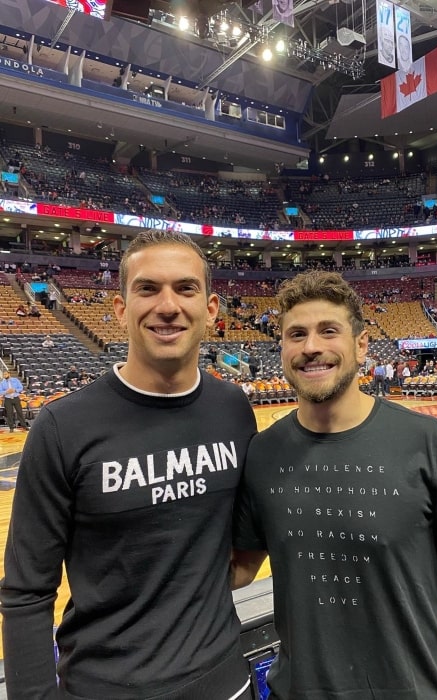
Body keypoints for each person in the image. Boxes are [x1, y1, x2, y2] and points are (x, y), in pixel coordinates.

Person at [1, 230, 257, 700]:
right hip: (106, 686)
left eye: (185, 288)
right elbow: (26, 591)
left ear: (211, 309)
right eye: (147, 288)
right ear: (119, 310)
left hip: (226, 681)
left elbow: (250, 532)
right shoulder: (62, 426)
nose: (167, 305)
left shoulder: (233, 408)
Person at [232, 270, 437, 700]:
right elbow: (240, 568)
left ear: (361, 346)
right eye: (296, 334)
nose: (311, 346)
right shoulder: (261, 454)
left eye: (328, 331)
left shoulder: (426, 440)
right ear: (282, 348)